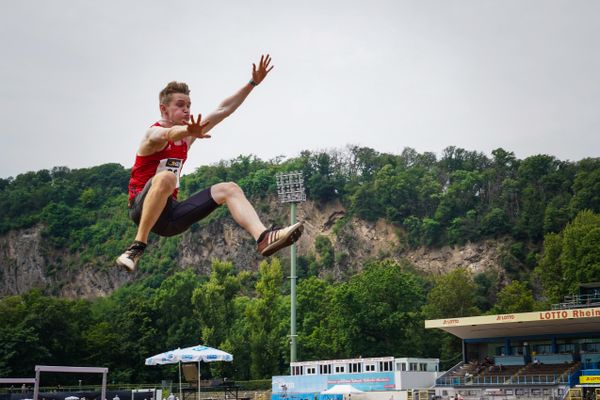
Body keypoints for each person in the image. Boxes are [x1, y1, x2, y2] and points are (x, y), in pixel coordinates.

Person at [116, 54, 304, 271]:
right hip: (141, 209)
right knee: (166, 177)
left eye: (189, 105)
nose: (187, 110)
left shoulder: (188, 135)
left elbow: (223, 110)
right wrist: (187, 130)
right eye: (180, 105)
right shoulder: (153, 133)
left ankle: (263, 237)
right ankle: (136, 247)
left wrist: (252, 84)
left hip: (170, 218)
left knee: (229, 189)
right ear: (163, 109)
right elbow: (167, 135)